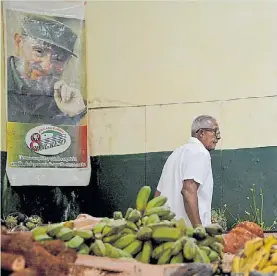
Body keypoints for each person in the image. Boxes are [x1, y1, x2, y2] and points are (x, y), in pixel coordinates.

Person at [7, 14, 87, 125]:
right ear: (19, 42)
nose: (46, 67)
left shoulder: (64, 98)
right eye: (39, 51)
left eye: (59, 58)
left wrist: (76, 115)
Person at [155, 115, 221, 227]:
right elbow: (188, 191)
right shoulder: (200, 152)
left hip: (167, 232)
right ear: (201, 133)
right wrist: (199, 230)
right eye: (215, 131)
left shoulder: (175, 154)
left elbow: (158, 196)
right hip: (188, 235)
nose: (217, 137)